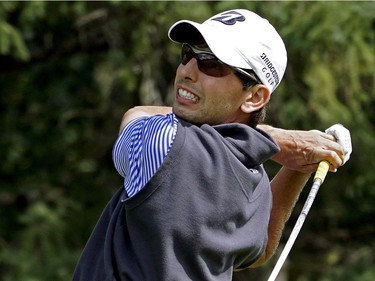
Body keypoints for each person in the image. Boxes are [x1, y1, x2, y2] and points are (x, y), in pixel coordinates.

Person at [72, 9, 351, 281]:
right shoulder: (254, 180)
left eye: (211, 64)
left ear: (254, 97)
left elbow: (136, 113)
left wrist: (281, 141)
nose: (186, 71)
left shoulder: (162, 141)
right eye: (188, 54)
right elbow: (260, 247)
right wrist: (299, 162)